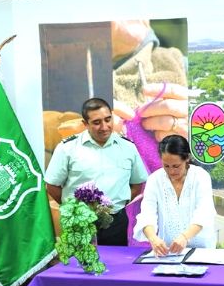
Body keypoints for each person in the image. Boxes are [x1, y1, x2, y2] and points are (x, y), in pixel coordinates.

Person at [45, 97, 148, 246]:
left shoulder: (127, 147)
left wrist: (118, 205)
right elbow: (52, 186)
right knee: (80, 260)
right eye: (97, 122)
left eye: (108, 120)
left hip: (115, 223)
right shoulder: (67, 148)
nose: (104, 127)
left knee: (116, 260)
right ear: (85, 124)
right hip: (79, 222)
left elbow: (137, 184)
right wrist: (73, 208)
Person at [133, 135, 216, 255]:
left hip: (201, 249)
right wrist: (153, 238)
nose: (171, 171)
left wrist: (185, 237)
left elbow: (204, 213)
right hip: (168, 251)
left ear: (187, 158)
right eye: (166, 166)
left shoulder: (200, 176)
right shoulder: (154, 179)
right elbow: (147, 214)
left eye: (176, 166)